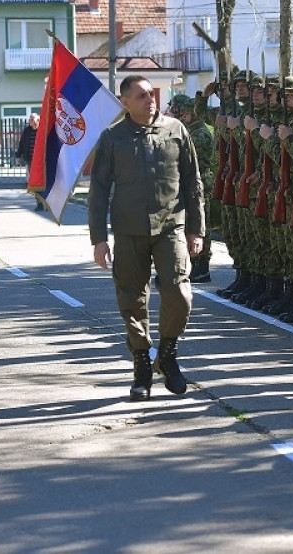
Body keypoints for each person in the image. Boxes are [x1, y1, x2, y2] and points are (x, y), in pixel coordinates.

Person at [87, 75, 205, 401]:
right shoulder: (112, 138)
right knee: (132, 301)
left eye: (151, 94)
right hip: (128, 231)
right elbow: (98, 191)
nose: (149, 100)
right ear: (124, 102)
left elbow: (193, 183)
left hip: (171, 227)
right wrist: (99, 239)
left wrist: (197, 230)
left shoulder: (176, 130)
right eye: (140, 96)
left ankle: (167, 354)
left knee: (180, 294)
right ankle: (141, 364)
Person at [175, 94, 214, 283]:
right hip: (189, 181)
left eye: (183, 111)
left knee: (200, 224)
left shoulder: (199, 134)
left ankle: (202, 266)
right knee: (189, 223)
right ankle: (192, 263)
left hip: (201, 182)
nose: (181, 115)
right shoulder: (189, 131)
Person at [15, 113, 44, 210]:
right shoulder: (27, 131)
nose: (30, 121)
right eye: (29, 119)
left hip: (43, 160)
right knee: (35, 181)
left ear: (38, 120)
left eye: (32, 119)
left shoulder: (43, 130)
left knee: (45, 181)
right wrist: (18, 156)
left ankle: (48, 202)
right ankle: (39, 203)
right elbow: (22, 143)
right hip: (31, 160)